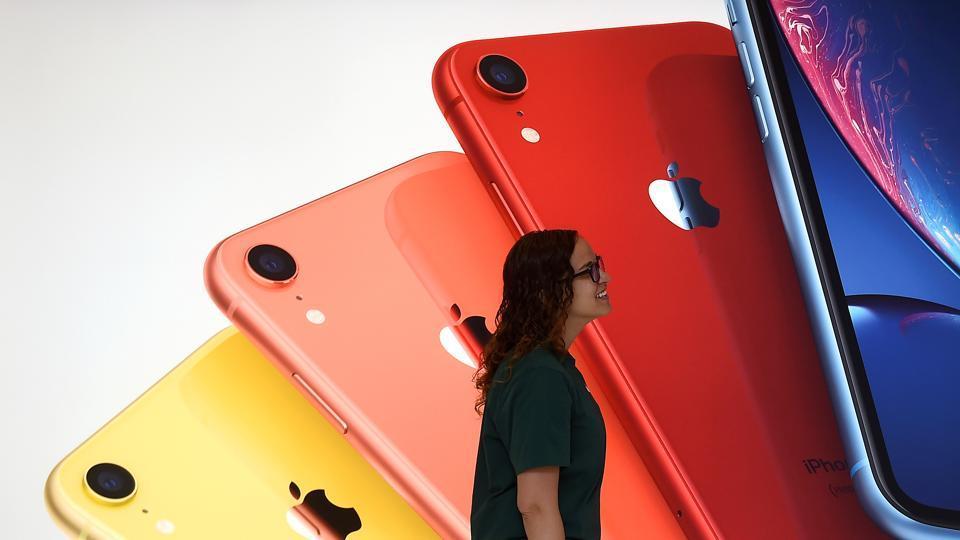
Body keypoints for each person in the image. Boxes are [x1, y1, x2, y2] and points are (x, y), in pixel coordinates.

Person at [470, 229, 612, 540]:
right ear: (550, 290)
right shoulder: (541, 375)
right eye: (590, 271)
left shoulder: (551, 369)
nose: (606, 278)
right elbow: (535, 505)